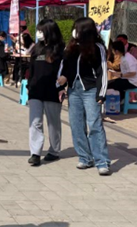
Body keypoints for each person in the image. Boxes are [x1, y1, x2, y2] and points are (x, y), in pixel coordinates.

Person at [57, 17, 111, 176]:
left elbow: (102, 71)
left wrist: (101, 93)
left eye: (77, 28)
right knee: (76, 124)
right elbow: (65, 66)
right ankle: (85, 157)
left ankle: (102, 161)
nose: (74, 31)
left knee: (94, 124)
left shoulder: (98, 48)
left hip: (91, 90)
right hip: (74, 90)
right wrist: (62, 82)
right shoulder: (71, 47)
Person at [25, 19, 65, 167]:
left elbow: (64, 70)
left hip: (52, 91)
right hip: (36, 90)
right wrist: (29, 85)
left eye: (41, 31)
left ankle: (54, 150)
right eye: (38, 30)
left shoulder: (60, 50)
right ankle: (35, 153)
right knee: (35, 122)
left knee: (53, 123)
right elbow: (32, 68)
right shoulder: (37, 49)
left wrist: (62, 87)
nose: (38, 33)